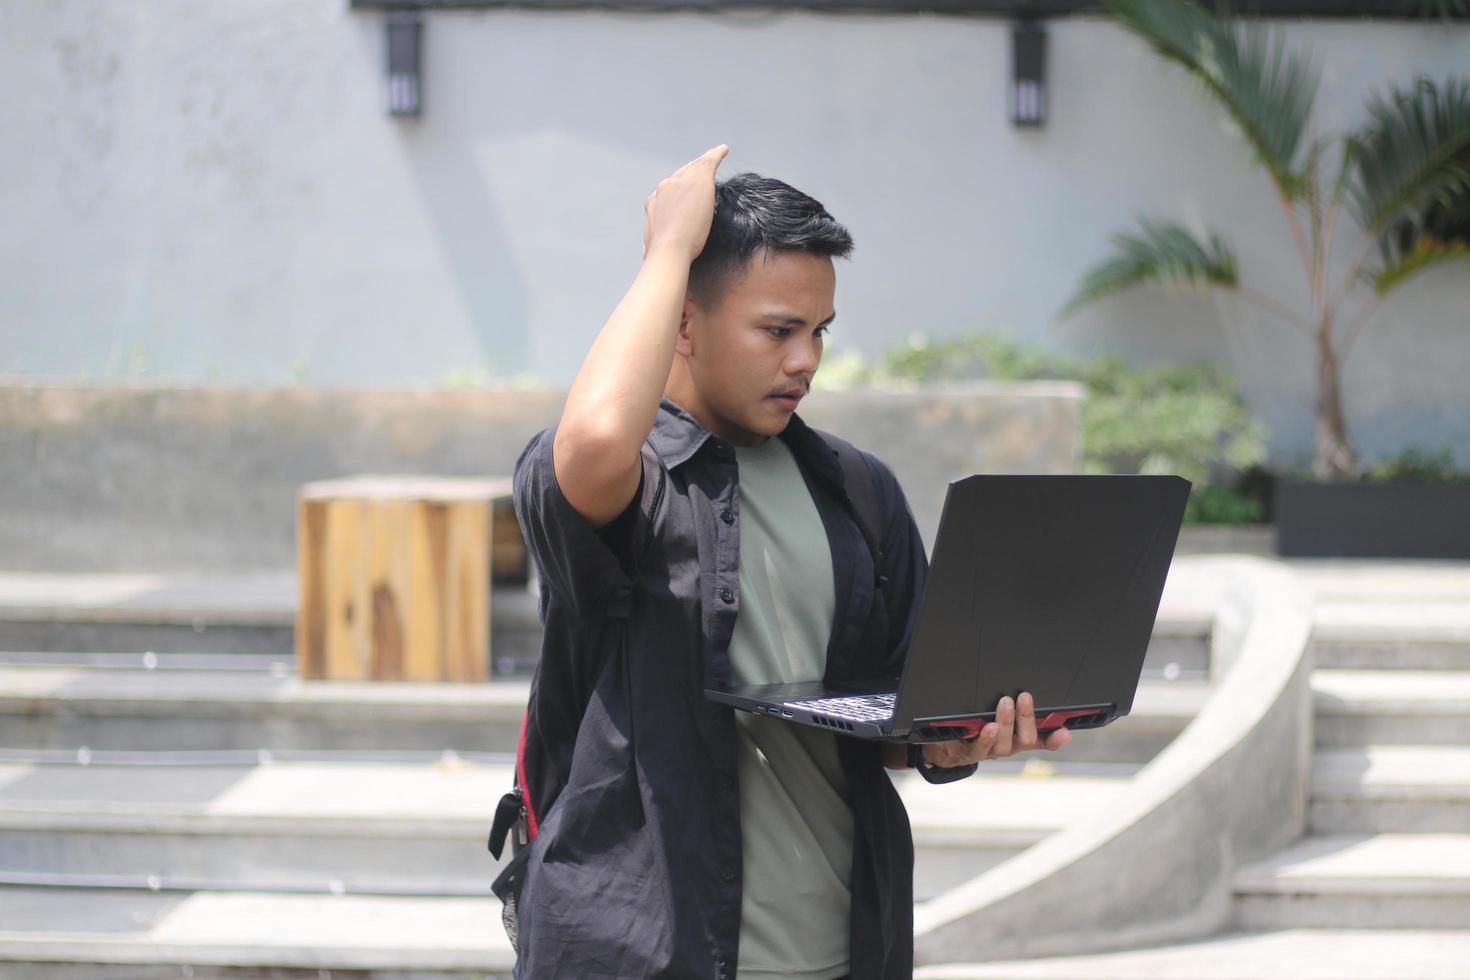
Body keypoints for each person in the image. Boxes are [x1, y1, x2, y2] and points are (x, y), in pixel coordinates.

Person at [507, 144, 1072, 980]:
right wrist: (669, 246)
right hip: (636, 951)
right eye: (778, 330)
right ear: (685, 323)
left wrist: (950, 744)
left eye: (818, 333)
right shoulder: (628, 483)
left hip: (841, 949)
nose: (805, 359)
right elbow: (592, 437)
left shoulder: (857, 491)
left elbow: (886, 712)